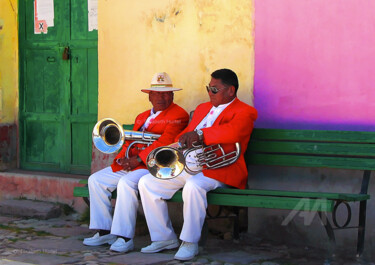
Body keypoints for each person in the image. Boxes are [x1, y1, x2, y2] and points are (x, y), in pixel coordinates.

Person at [138, 69, 258, 261]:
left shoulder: (245, 111)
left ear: (230, 90)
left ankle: (189, 242)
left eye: (214, 89)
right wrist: (175, 144)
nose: (210, 92)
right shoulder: (202, 108)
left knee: (194, 186)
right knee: (147, 182)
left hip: (220, 169)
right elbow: (186, 132)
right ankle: (164, 238)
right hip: (191, 165)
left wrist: (201, 135)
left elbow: (233, 132)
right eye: (208, 88)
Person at [83, 72, 189, 253]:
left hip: (152, 165)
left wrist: (137, 159)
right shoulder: (142, 116)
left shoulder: (179, 114)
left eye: (166, 93)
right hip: (133, 163)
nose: (161, 97)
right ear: (149, 96)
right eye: (157, 94)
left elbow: (165, 141)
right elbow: (128, 140)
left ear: (172, 95)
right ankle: (105, 230)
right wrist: (122, 158)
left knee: (125, 183)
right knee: (95, 180)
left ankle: (124, 238)